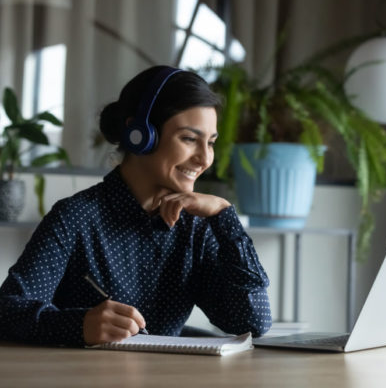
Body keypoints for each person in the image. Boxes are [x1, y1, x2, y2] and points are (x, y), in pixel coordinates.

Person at [0, 66, 272, 346]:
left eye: (211, 143)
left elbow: (253, 321)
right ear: (140, 135)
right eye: (190, 139)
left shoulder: (197, 228)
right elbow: (7, 312)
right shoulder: (75, 217)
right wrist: (79, 325)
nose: (204, 159)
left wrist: (225, 216)